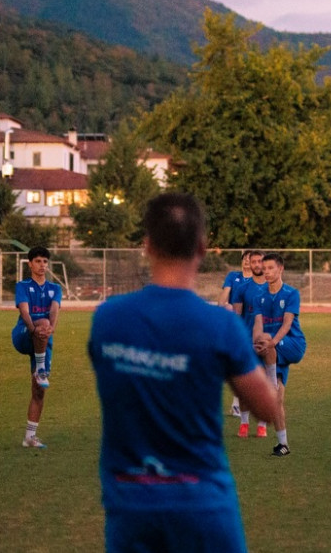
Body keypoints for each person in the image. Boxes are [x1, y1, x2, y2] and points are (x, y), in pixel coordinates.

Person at [88, 193, 280, 552]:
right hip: (202, 507)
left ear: (146, 246)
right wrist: (263, 353)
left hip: (130, 509)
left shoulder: (107, 320)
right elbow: (268, 409)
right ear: (202, 248)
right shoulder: (220, 327)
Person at [253, 252, 307, 456]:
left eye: (270, 268)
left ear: (280, 269)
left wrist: (270, 342)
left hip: (293, 344)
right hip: (272, 352)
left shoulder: (291, 293)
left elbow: (287, 323)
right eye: (264, 268)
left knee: (266, 340)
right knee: (276, 401)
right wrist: (257, 342)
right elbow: (257, 324)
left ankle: (271, 381)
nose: (266, 272)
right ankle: (283, 444)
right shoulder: (259, 296)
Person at [13, 246, 61, 448]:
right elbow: (24, 311)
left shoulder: (55, 288)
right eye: (38, 261)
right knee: (41, 322)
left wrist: (49, 330)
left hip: (43, 338)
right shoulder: (23, 286)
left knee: (39, 391)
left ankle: (29, 437)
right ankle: (41, 369)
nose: (42, 265)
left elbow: (55, 310)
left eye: (45, 261)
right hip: (24, 334)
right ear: (30, 264)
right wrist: (35, 329)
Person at [229, 250, 268, 437]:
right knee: (245, 385)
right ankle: (244, 423)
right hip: (247, 343)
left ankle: (262, 425)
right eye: (254, 262)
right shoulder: (242, 288)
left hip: (266, 343)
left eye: (261, 261)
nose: (257, 265)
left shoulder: (272, 287)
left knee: (265, 385)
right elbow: (236, 317)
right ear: (249, 264)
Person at [221, 250, 256, 417]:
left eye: (251, 259)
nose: (248, 261)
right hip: (236, 327)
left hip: (253, 327)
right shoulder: (233, 276)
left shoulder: (258, 280)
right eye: (245, 258)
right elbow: (223, 298)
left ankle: (244, 402)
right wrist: (226, 305)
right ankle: (237, 404)